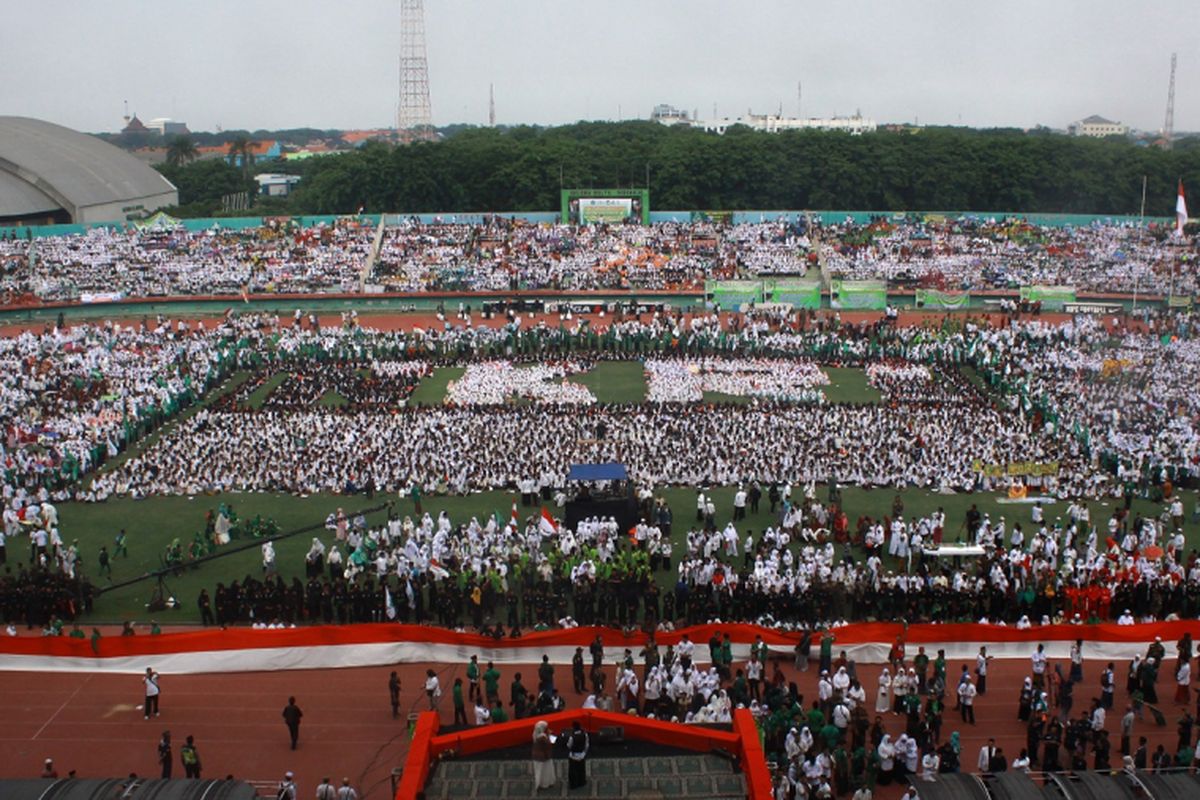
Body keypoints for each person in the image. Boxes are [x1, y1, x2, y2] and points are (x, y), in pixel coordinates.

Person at [532, 719, 555, 789]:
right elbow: (549, 745)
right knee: (546, 770)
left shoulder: (535, 734)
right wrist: (549, 736)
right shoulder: (543, 737)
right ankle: (545, 784)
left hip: (537, 756)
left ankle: (539, 783)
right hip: (544, 756)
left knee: (539, 770)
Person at [566, 720, 589, 789]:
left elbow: (569, 745)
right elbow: (587, 745)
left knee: (573, 771)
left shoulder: (572, 737)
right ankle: (582, 782)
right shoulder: (585, 734)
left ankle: (573, 785)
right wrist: (584, 752)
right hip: (582, 755)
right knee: (581, 770)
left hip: (573, 756)